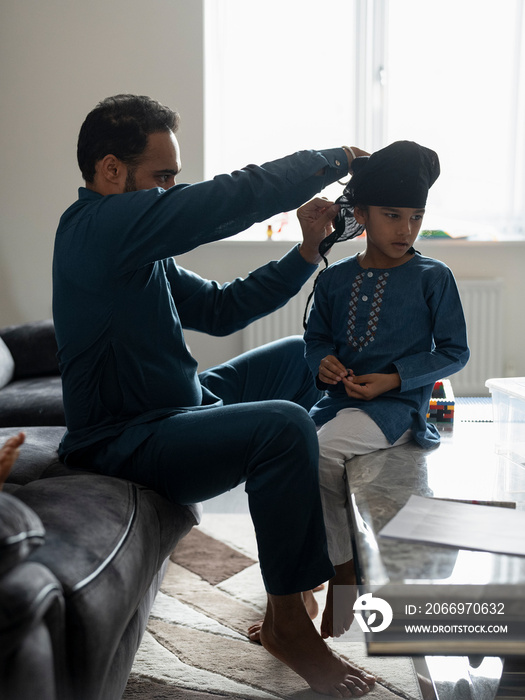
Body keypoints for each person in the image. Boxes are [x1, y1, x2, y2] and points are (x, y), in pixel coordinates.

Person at [52, 94, 375, 697]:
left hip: (182, 404)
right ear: (111, 170)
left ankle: (311, 562)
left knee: (315, 359)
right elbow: (230, 198)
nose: (172, 190)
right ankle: (289, 625)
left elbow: (223, 310)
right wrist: (334, 159)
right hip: (127, 438)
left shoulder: (137, 248)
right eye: (163, 178)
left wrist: (307, 251)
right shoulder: (95, 229)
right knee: (281, 425)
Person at [303, 141, 470, 639]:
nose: (405, 229)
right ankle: (297, 588)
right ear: (362, 215)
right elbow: (316, 340)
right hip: (336, 402)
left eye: (415, 217)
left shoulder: (433, 277)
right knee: (281, 452)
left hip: (398, 408)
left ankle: (344, 572)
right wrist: (324, 364)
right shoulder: (335, 281)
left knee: (319, 453)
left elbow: (454, 352)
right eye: (393, 215)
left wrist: (396, 377)